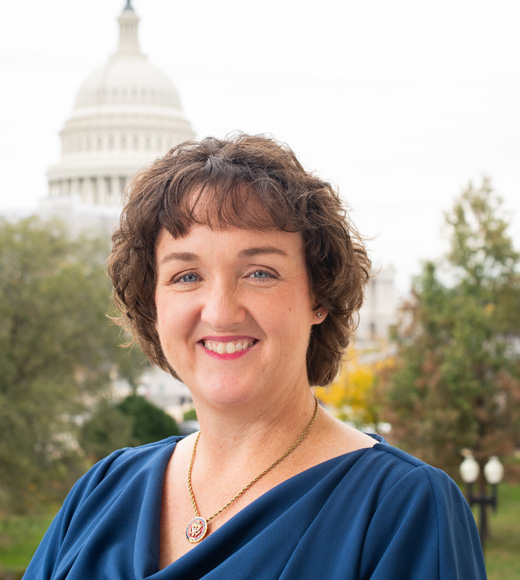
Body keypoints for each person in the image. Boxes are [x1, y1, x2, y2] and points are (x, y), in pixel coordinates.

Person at [24, 134, 486, 579]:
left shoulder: (402, 508)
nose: (222, 312)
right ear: (154, 303)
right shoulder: (102, 493)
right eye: (186, 276)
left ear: (318, 297)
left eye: (260, 272)